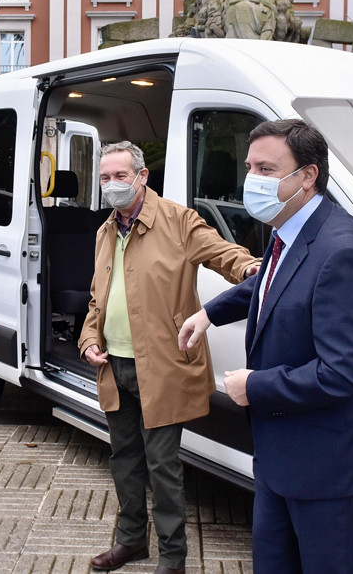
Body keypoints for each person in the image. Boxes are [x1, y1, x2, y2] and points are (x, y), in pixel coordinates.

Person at [178, 119, 353, 573]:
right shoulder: (289, 230)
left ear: (307, 176)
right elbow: (270, 284)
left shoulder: (343, 252)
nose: (252, 180)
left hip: (329, 469)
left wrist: (254, 386)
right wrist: (208, 313)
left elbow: (342, 374)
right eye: (250, 167)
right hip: (280, 458)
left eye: (266, 168)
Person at [79, 142, 259, 574]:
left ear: (142, 177)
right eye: (105, 178)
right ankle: (130, 542)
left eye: (121, 176)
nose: (112, 186)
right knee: (123, 460)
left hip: (160, 366)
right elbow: (96, 299)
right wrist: (88, 339)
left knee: (162, 465)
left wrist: (255, 269)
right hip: (113, 366)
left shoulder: (179, 221)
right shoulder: (105, 231)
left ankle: (173, 557)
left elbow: (222, 253)